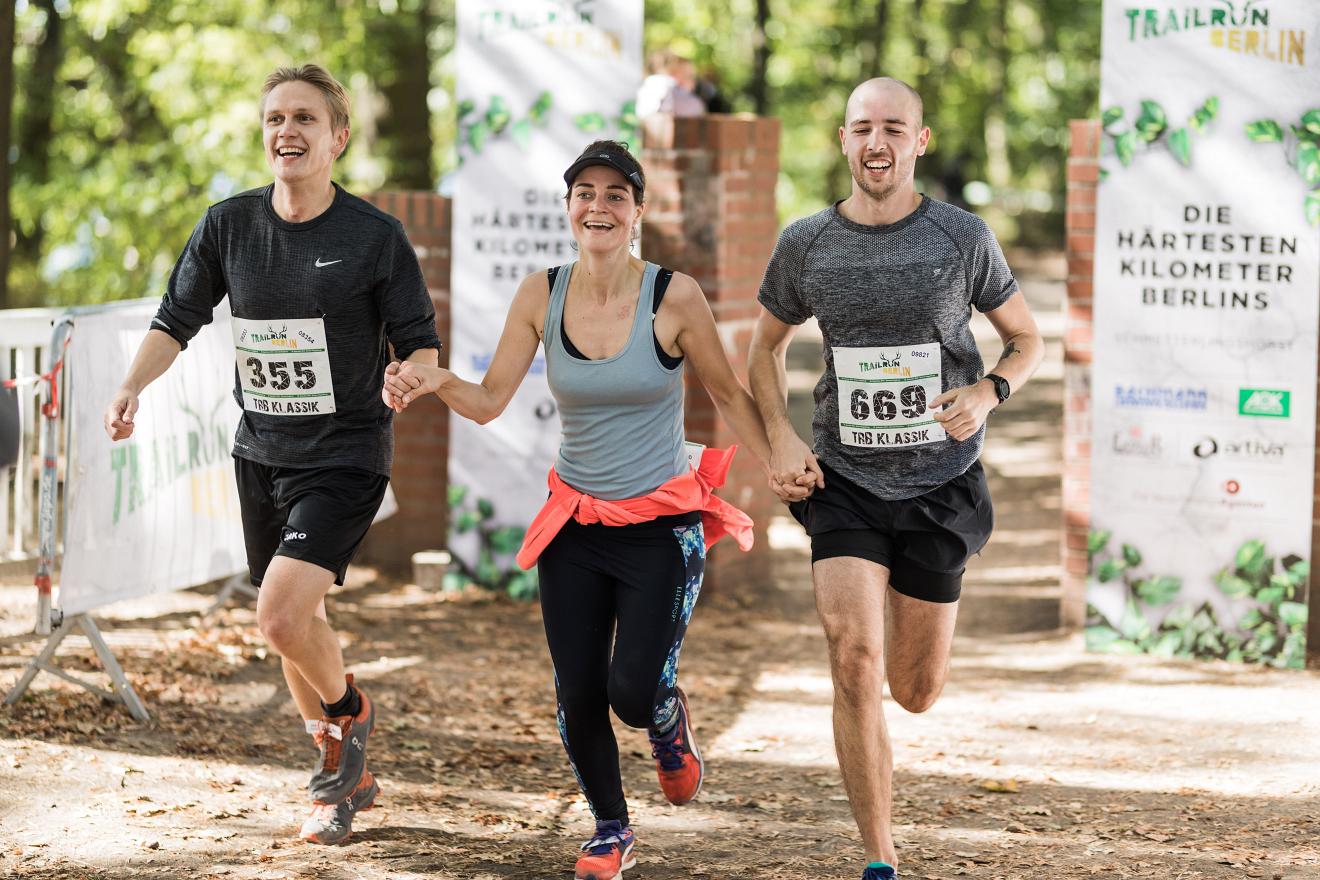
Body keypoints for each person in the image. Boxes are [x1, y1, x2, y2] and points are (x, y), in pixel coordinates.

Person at [385, 140, 804, 880]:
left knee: (632, 694)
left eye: (616, 195)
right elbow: (488, 401)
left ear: (638, 211)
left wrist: (780, 458)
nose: (599, 206)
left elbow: (727, 394)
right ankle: (611, 828)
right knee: (579, 691)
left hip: (661, 529)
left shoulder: (673, 296)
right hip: (575, 525)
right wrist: (436, 380)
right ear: (569, 206)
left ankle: (666, 718)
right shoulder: (540, 294)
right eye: (586, 193)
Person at [102, 64, 441, 845]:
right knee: (299, 624)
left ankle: (348, 722)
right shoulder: (229, 226)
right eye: (275, 119)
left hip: (346, 453)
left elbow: (419, 342)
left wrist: (410, 374)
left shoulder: (373, 236)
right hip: (261, 451)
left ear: (338, 138)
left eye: (305, 119)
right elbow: (176, 319)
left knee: (280, 617)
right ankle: (344, 776)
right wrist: (131, 386)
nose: (287, 130)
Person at [747, 77, 1044, 880]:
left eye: (892, 128)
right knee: (852, 655)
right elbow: (762, 348)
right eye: (861, 128)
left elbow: (1026, 339)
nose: (875, 143)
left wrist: (987, 392)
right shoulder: (807, 242)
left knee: (914, 690)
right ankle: (880, 856)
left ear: (919, 141)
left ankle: (913, 669)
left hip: (940, 483)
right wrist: (780, 437)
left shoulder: (961, 236)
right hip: (843, 480)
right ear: (844, 140)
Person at [636, 50, 706, 118]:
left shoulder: (646, 86)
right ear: (674, 73)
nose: (693, 83)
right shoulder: (669, 88)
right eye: (688, 76)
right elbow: (695, 109)